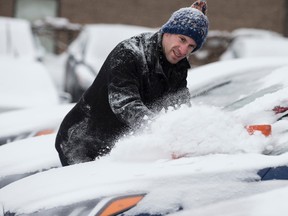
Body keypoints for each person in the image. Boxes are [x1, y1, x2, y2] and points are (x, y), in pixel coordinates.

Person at [55, 0, 209, 166]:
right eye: (182, 39)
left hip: (117, 145)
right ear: (168, 31)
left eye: (191, 46)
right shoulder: (130, 53)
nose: (184, 50)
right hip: (83, 142)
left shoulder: (177, 66)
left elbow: (179, 104)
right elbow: (125, 104)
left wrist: (191, 131)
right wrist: (162, 128)